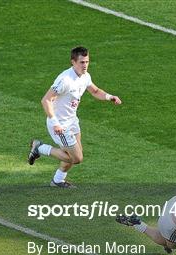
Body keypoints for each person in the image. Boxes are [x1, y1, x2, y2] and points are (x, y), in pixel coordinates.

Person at [27, 46, 122, 188]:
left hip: (72, 121)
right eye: (82, 62)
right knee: (76, 158)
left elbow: (95, 91)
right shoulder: (64, 79)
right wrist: (55, 123)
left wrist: (109, 97)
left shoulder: (85, 76)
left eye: (87, 62)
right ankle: (40, 148)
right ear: (73, 62)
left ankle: (57, 181)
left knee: (73, 154)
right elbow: (45, 100)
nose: (85, 65)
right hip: (60, 125)